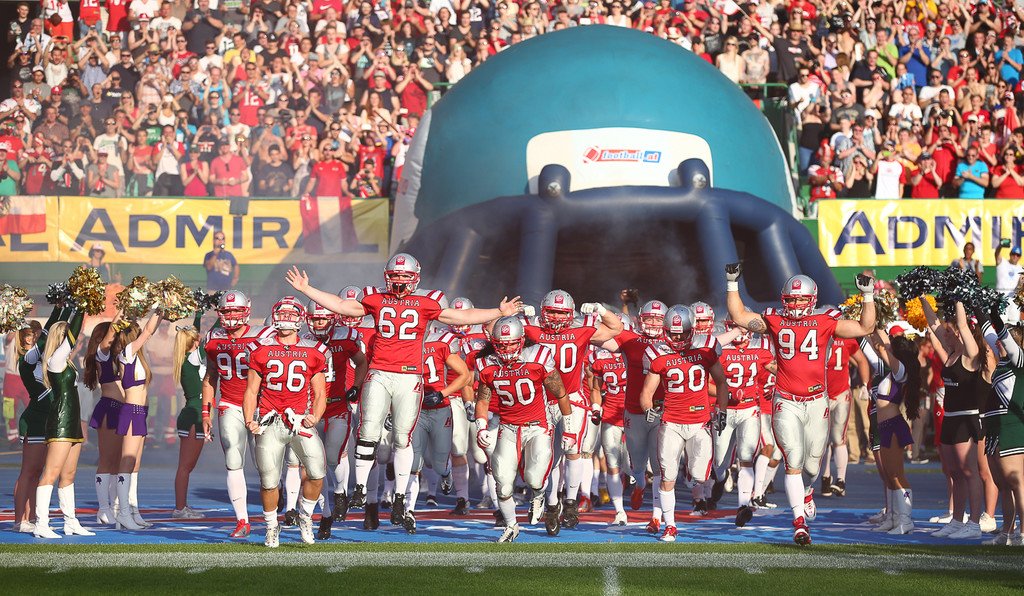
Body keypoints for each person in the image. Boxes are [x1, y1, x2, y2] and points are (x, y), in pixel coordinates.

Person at [284, 253, 523, 534]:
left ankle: (399, 496)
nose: (399, 280)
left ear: (415, 278)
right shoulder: (375, 298)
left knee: (402, 438)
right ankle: (360, 489)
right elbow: (341, 306)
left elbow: (462, 316)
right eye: (395, 275)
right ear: (387, 276)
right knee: (368, 431)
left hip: (409, 375)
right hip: (379, 372)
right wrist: (307, 289)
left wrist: (498, 312)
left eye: (404, 276)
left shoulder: (427, 301)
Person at [726, 264, 876, 545]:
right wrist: (732, 283)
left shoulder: (825, 321)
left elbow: (865, 327)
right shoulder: (775, 320)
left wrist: (868, 296)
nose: (795, 305)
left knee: (812, 466)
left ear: (812, 300)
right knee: (793, 460)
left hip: (817, 401)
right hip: (786, 401)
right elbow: (739, 316)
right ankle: (799, 522)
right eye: (791, 300)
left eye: (800, 300)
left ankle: (807, 492)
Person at [523, 291, 622, 529]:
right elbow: (496, 334)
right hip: (543, 401)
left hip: (572, 399)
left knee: (573, 451)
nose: (557, 317)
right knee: (548, 457)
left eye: (562, 313)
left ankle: (570, 502)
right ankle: (552, 504)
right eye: (552, 312)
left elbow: (616, 328)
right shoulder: (532, 328)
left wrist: (601, 309)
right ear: (544, 311)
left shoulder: (582, 328)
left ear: (570, 314)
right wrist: (513, 317)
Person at [473, 315, 571, 543]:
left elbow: (561, 393)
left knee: (534, 479)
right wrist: (481, 426)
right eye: (501, 345)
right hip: (508, 427)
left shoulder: (538, 357)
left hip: (538, 426)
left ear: (522, 340)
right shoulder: (486, 364)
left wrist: (569, 429)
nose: (506, 349)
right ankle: (511, 526)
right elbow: (483, 400)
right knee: (503, 484)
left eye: (511, 344)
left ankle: (539, 495)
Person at [243, 297, 329, 548]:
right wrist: (249, 419)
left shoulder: (315, 350)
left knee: (317, 472)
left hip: (300, 421)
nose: (286, 319)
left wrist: (315, 416)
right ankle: (272, 527)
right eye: (282, 314)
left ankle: (305, 516)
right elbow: (251, 390)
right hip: (270, 421)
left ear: (300, 319)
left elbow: (320, 393)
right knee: (269, 481)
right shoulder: (260, 349)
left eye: (291, 315)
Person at [639, 305, 730, 542]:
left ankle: (690, 471)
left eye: (683, 333)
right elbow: (647, 392)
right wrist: (648, 409)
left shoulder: (706, 347)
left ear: (692, 330)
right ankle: (670, 526)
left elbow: (721, 382)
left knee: (699, 477)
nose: (678, 339)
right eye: (673, 334)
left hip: (700, 422)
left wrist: (721, 410)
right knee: (667, 477)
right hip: (671, 422)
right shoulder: (657, 353)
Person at [201, 291, 275, 538]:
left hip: (261, 406)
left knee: (266, 465)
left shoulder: (264, 336)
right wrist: (206, 413)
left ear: (247, 311)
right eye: (227, 311)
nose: (231, 315)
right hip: (230, 403)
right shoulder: (213, 339)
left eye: (236, 310)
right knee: (233, 459)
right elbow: (210, 377)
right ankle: (242, 520)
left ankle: (274, 515)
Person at [922, 298, 987, 539]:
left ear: (962, 333)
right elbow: (933, 324)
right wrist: (922, 297)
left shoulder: (971, 354)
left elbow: (961, 324)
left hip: (966, 419)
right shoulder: (950, 353)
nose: (946, 334)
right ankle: (957, 520)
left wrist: (959, 298)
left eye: (951, 332)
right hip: (949, 417)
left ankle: (974, 523)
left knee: (969, 471)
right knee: (954, 473)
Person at [303, 299, 367, 540]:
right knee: (312, 467)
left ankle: (340, 492)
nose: (319, 323)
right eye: (315, 318)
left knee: (333, 456)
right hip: (309, 409)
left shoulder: (346, 337)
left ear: (332, 319)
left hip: (338, 404)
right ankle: (325, 514)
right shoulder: (302, 341)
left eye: (323, 318)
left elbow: (362, 362)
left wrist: (356, 386)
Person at [604, 299, 668, 531]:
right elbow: (597, 338)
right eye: (649, 318)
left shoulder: (674, 342)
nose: (653, 323)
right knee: (637, 464)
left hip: (662, 410)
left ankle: (657, 516)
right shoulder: (631, 340)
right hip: (634, 411)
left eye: (658, 319)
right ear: (640, 320)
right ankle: (639, 485)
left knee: (660, 466)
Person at [33, 306, 95, 538]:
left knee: (69, 474)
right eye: (69, 337)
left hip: (72, 421)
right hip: (60, 421)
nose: (75, 341)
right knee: (51, 473)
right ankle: (41, 524)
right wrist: (81, 307)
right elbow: (74, 334)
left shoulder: (66, 361)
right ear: (61, 337)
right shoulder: (55, 360)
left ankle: (70, 522)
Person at [714, 320, 775, 527]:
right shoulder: (720, 348)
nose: (740, 332)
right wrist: (728, 395)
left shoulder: (760, 349)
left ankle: (743, 506)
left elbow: (780, 371)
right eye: (734, 327)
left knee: (746, 457)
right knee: (720, 462)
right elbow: (706, 384)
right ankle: (720, 480)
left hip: (749, 409)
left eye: (744, 328)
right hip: (725, 409)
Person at [865, 327, 922, 535]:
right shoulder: (893, 371)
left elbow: (882, 348)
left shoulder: (901, 371)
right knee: (890, 476)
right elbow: (883, 346)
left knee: (897, 475)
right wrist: (875, 327)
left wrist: (871, 329)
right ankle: (894, 518)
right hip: (884, 426)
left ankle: (905, 520)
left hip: (893, 425)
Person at [111, 312, 162, 531]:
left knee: (135, 465)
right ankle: (122, 513)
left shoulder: (138, 355)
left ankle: (133, 510)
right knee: (127, 462)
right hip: (131, 411)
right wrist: (160, 307)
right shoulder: (127, 353)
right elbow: (149, 331)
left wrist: (165, 311)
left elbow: (151, 330)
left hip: (141, 412)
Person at [83, 316, 124, 526]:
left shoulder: (118, 357)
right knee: (107, 460)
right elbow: (111, 334)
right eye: (114, 335)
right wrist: (123, 309)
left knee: (117, 462)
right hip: (109, 408)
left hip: (123, 410)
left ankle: (115, 507)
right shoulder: (102, 354)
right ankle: (103, 509)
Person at [820, 335, 869, 499]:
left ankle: (840, 480)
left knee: (837, 438)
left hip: (839, 393)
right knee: (823, 440)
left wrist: (864, 384)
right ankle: (826, 477)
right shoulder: (822, 335)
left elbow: (861, 360)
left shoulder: (843, 338)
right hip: (822, 394)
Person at [12, 319, 46, 533]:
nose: (33, 337)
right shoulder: (27, 358)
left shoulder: (40, 356)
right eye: (29, 334)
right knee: (28, 471)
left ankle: (31, 516)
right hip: (34, 419)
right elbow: (45, 338)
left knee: (37, 471)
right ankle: (19, 520)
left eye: (35, 333)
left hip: (45, 418)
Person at [172, 312, 206, 519]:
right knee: (185, 466)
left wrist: (199, 314)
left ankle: (182, 506)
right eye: (197, 340)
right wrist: (219, 317)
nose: (200, 341)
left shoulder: (189, 358)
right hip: (194, 416)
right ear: (193, 342)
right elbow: (209, 336)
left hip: (195, 414)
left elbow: (197, 333)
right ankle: (179, 508)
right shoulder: (192, 358)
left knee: (187, 466)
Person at [590, 344, 628, 526]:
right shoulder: (600, 359)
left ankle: (639, 483)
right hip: (611, 415)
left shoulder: (636, 353)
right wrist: (596, 408)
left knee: (636, 466)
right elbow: (596, 389)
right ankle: (620, 511)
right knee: (612, 465)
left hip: (634, 415)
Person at [995, 242, 1024, 324]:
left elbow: (1020, 287)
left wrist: (1020, 285)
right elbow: (997, 253)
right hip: (1001, 297)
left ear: (1020, 257)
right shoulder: (1002, 263)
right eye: (1013, 254)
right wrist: (1000, 245)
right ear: (1010, 254)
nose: (1015, 256)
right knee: (1001, 321)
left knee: (1014, 321)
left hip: (1014, 299)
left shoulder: (1021, 269)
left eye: (1018, 255)